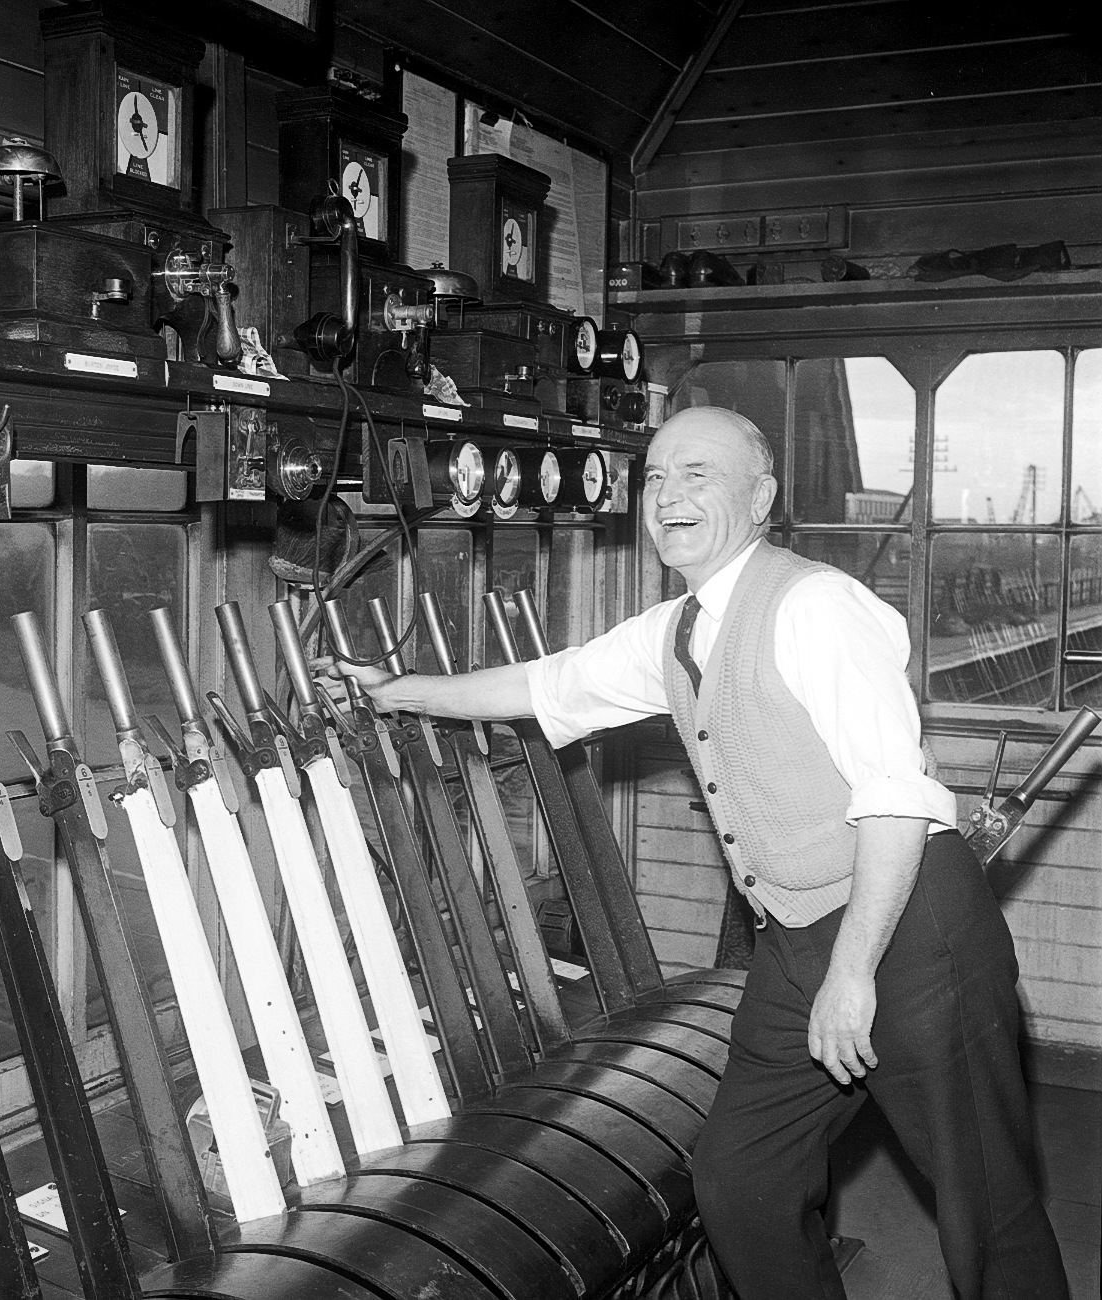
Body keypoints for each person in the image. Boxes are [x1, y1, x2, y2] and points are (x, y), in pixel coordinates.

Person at [334, 406, 1068, 1300]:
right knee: (741, 1181)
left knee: (981, 1205)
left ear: (759, 499)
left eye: (698, 476)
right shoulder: (677, 628)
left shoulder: (816, 606)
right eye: (655, 479)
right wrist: (395, 693)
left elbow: (893, 798)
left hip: (911, 938)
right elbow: (549, 684)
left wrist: (852, 974)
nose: (668, 498)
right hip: (798, 937)